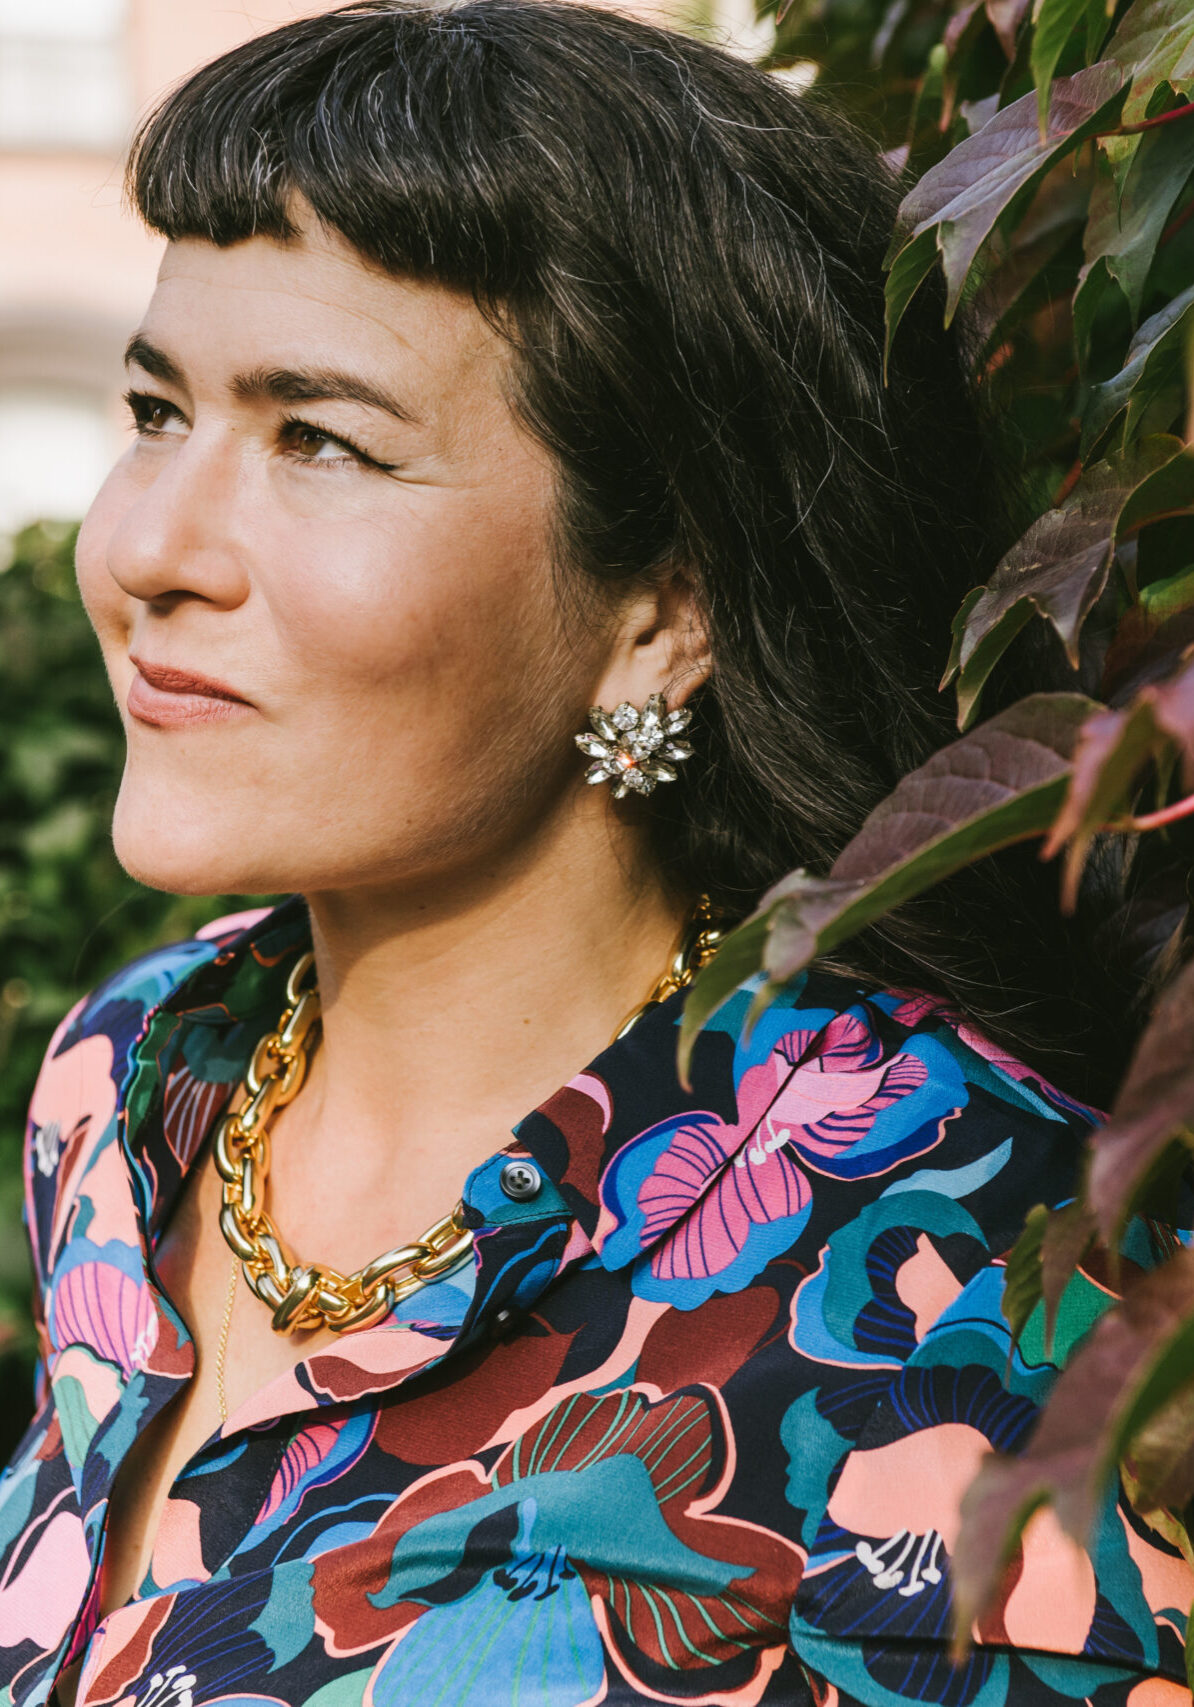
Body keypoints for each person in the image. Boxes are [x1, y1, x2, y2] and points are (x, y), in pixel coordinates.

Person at [0, 2, 1189, 1702]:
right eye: (156, 408)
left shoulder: (969, 1279)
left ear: (665, 610)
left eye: (319, 439)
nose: (149, 551)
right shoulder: (132, 1084)